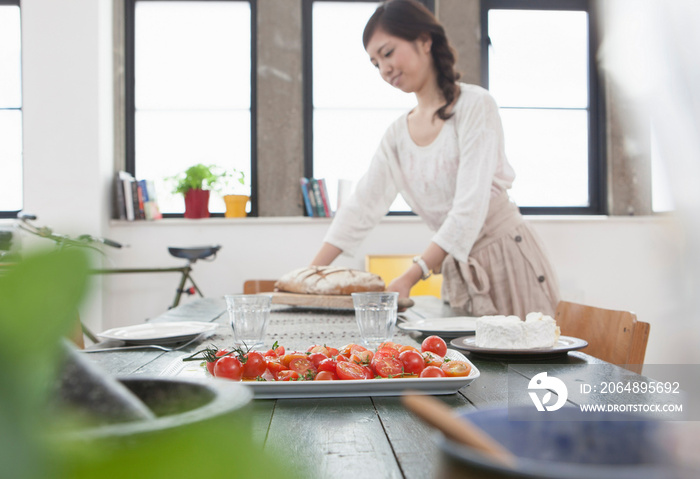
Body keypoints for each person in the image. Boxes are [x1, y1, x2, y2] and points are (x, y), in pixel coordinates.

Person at [310, 0, 560, 318]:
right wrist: (307, 277)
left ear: (425, 40)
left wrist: (412, 274)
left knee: (525, 365)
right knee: (468, 368)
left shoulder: (475, 106)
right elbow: (360, 208)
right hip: (457, 268)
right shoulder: (397, 136)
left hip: (508, 258)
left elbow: (468, 209)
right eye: (375, 63)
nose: (384, 69)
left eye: (387, 53)